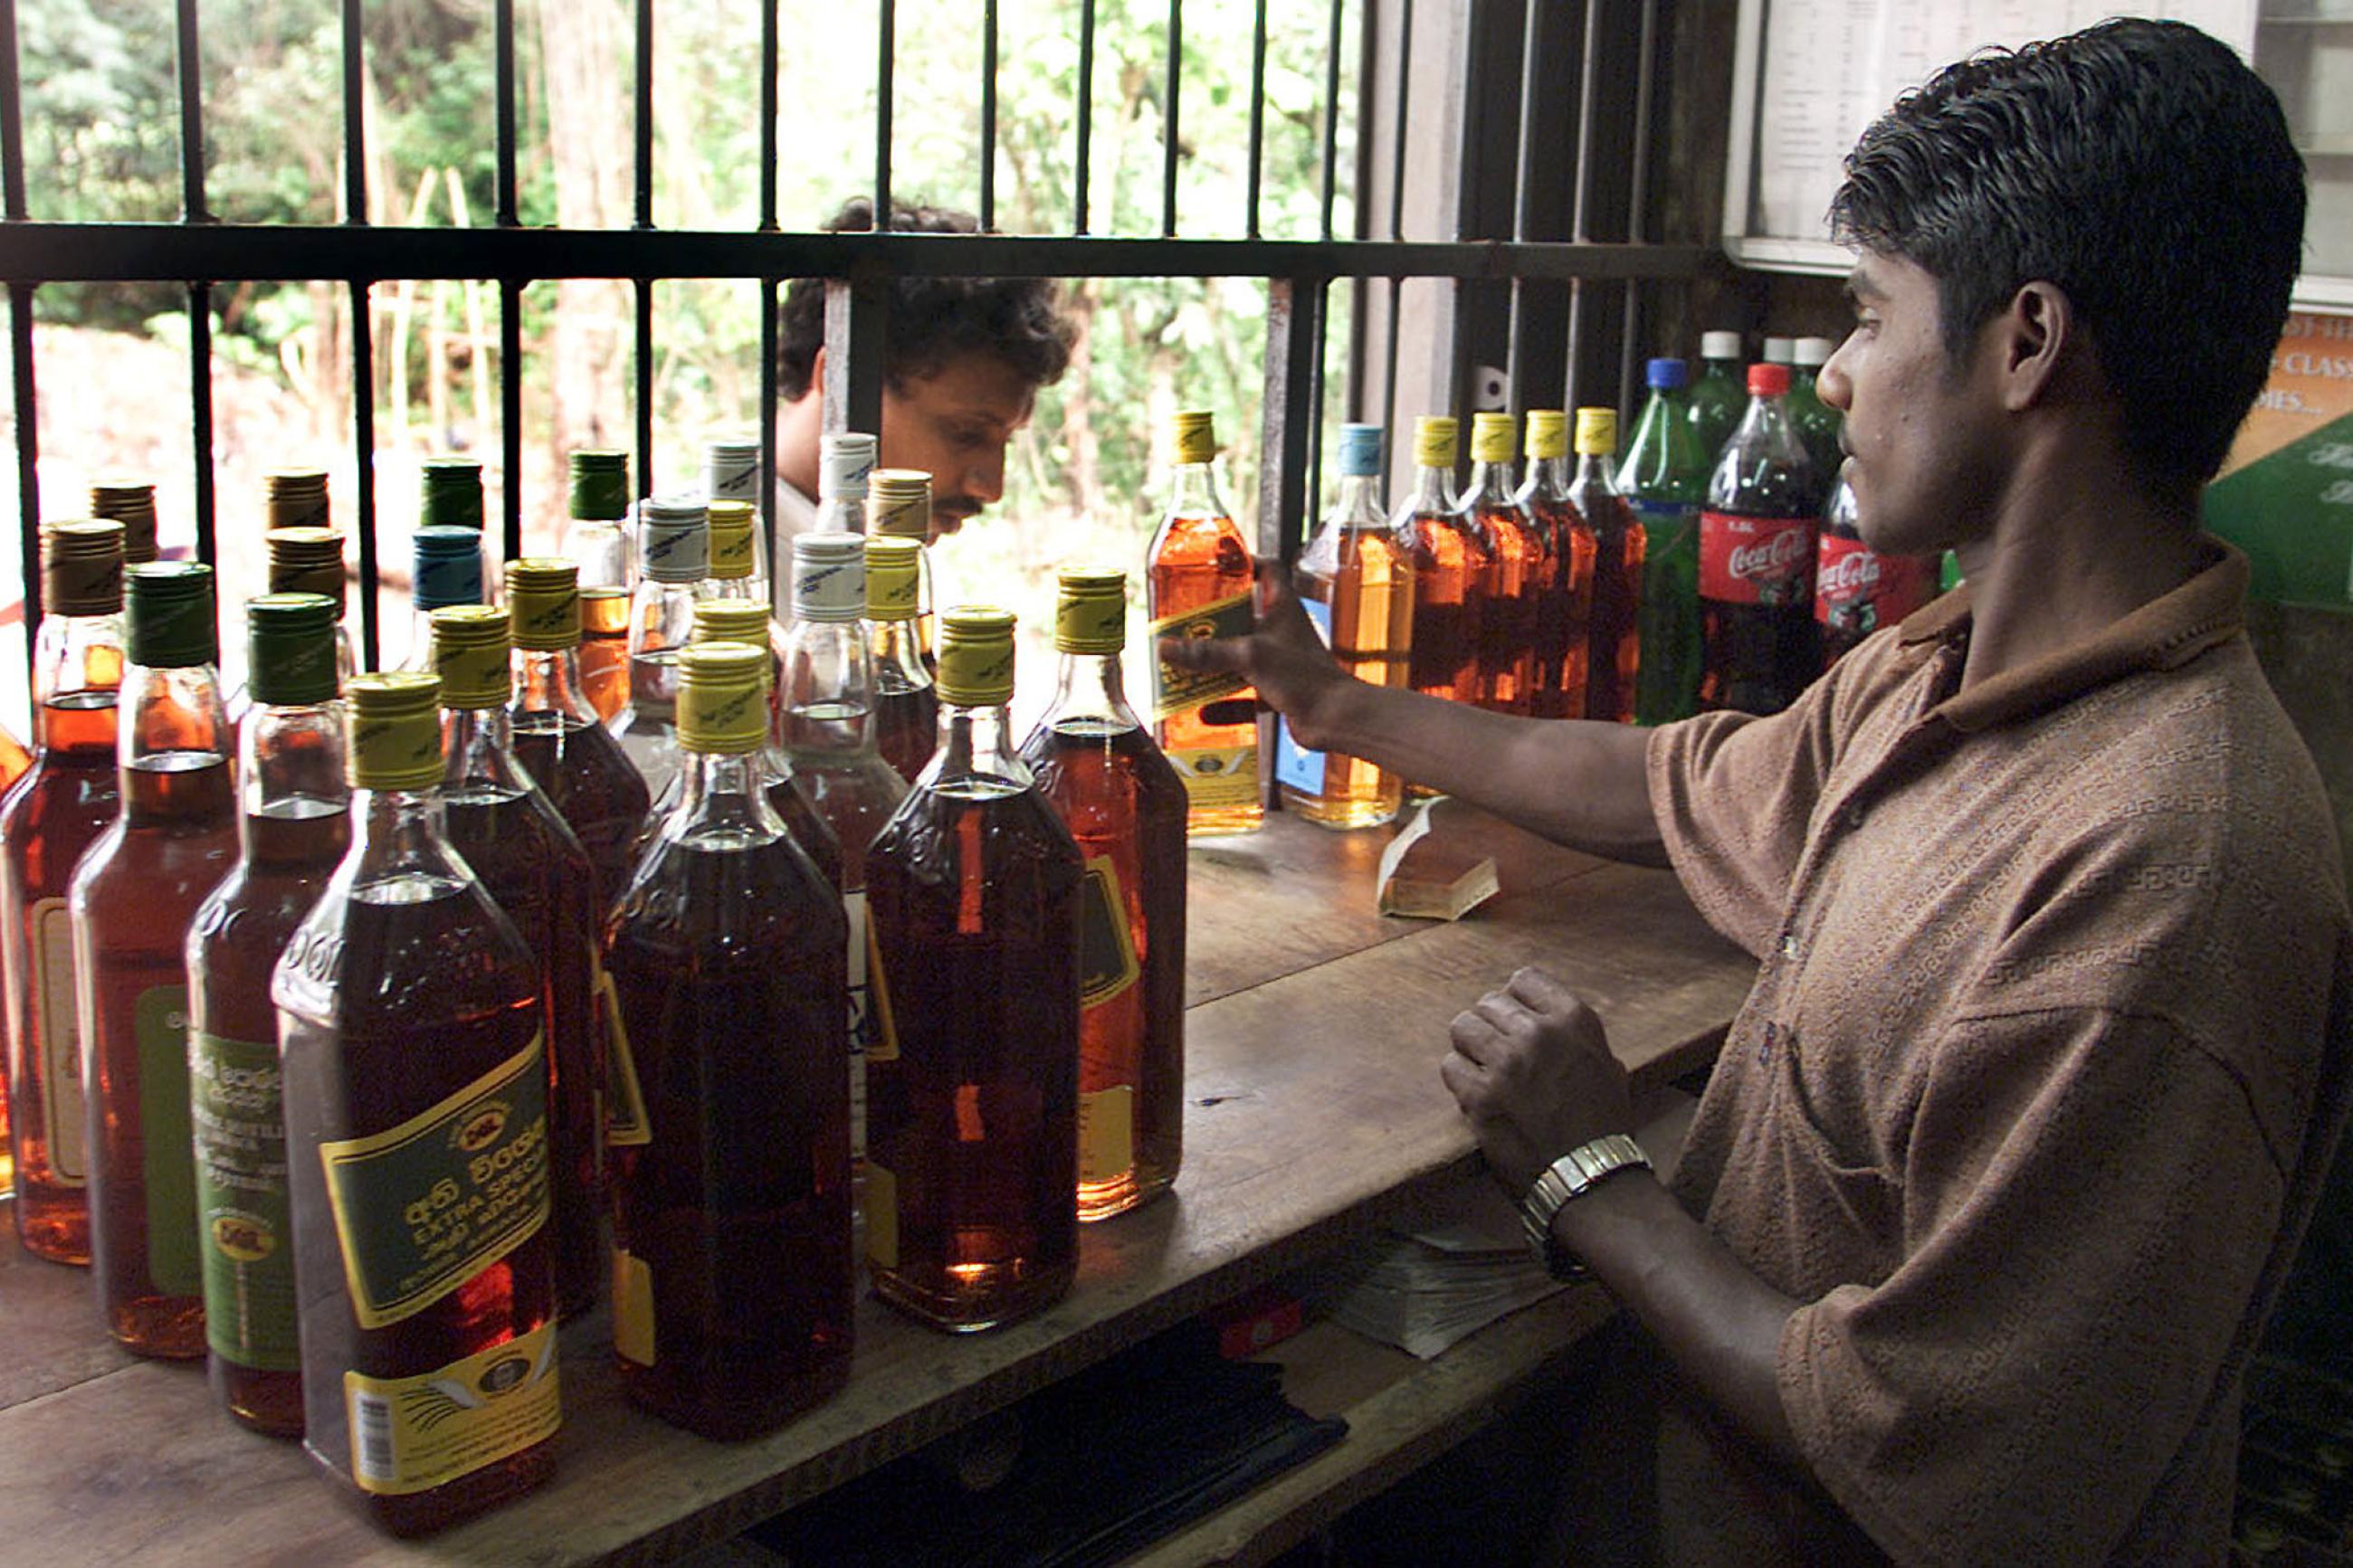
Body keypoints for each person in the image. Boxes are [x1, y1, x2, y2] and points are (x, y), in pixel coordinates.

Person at [1167, 19, 2353, 1563]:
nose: (1839, 379)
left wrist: (1592, 1172)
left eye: (1870, 316)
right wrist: (1335, 701)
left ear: (2029, 342)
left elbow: (1948, 1468)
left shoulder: (2166, 870)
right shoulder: (1944, 673)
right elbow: (1658, 780)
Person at [772, 198, 1075, 556]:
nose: (992, 488)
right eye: (966, 434)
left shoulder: (869, 551)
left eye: (1005, 441)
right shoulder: (726, 570)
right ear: (841, 382)